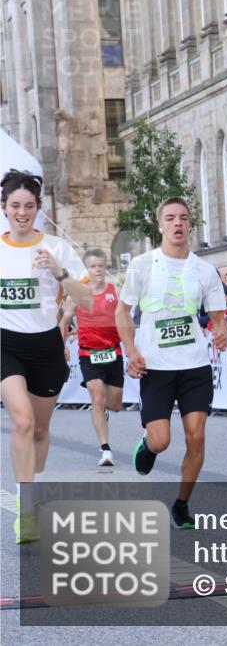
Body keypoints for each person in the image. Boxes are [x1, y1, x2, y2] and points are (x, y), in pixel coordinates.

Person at [116, 197, 227, 529]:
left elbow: (218, 317)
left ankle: (181, 503)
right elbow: (122, 311)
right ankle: (149, 445)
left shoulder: (205, 270)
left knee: (196, 437)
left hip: (194, 365)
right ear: (160, 225)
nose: (177, 223)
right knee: (162, 440)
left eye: (183, 218)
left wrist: (222, 332)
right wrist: (130, 348)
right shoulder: (142, 265)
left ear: (189, 225)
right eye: (170, 218)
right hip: (155, 365)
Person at [1, 170, 92, 544]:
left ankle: (32, 485)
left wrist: (60, 272)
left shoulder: (56, 247)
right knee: (21, 421)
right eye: (15, 206)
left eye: (29, 206)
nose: (22, 212)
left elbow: (87, 300)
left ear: (38, 209)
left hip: (47, 347)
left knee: (39, 429)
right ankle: (26, 511)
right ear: (4, 209)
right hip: (6, 344)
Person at [59, 248, 124, 468]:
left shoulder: (115, 290)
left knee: (114, 404)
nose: (97, 270)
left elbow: (125, 319)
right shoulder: (77, 295)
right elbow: (65, 321)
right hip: (89, 353)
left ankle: (103, 410)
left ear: (106, 266)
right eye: (93, 266)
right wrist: (62, 345)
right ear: (86, 269)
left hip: (113, 352)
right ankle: (105, 450)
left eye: (101, 265)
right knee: (97, 399)